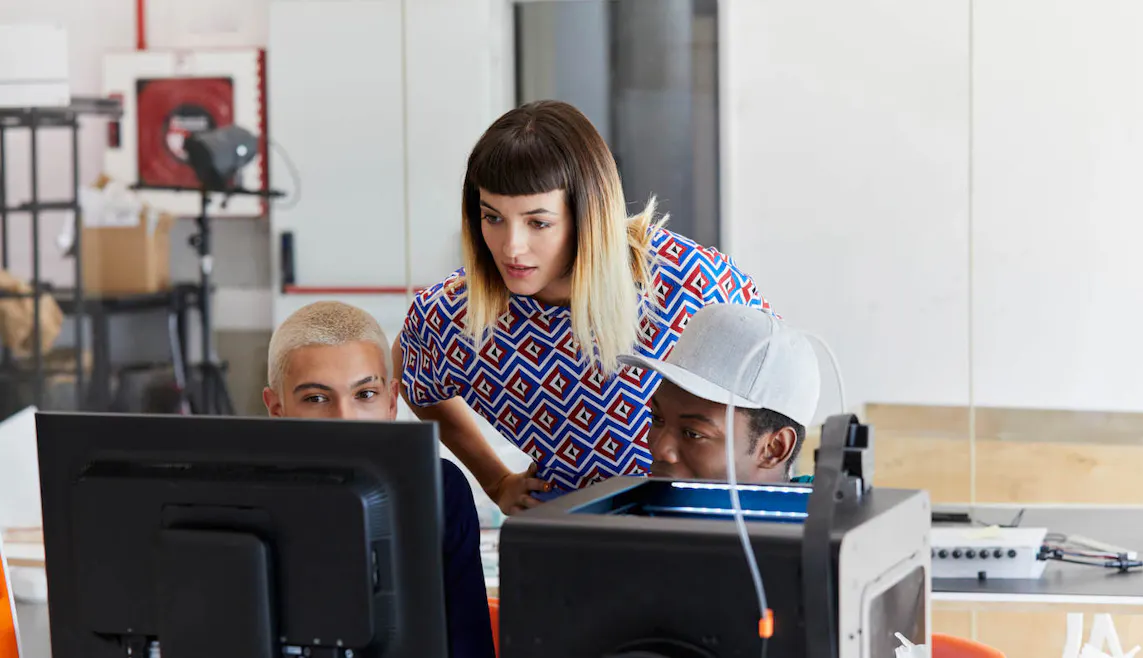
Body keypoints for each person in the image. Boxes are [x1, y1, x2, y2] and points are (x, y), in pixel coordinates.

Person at [394, 100, 772, 514]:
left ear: (588, 216)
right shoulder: (453, 315)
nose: (511, 247)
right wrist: (496, 480)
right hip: (572, 537)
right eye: (493, 217)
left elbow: (778, 380)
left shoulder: (686, 278)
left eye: (538, 222)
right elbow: (410, 374)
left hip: (708, 526)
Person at [264, 301, 494, 658]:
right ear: (277, 409)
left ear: (391, 403)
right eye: (316, 398)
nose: (345, 419)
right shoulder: (242, 497)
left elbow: (470, 646)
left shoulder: (440, 491)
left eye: (365, 394)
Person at [619, 304, 820, 484]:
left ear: (774, 449)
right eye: (657, 419)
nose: (660, 448)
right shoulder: (626, 515)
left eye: (693, 433)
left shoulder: (828, 522)